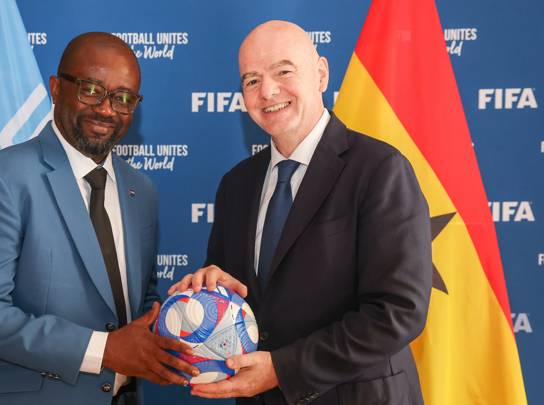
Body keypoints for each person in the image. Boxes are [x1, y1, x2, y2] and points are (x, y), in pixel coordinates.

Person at [169, 20, 432, 405]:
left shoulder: (379, 169)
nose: (268, 91)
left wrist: (283, 369)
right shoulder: (236, 185)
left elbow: (397, 311)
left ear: (321, 73)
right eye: (251, 80)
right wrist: (212, 287)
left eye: (283, 71)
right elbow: (237, 295)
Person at [0, 32, 198, 405]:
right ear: (55, 88)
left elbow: (138, 303)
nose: (107, 109)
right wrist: (106, 349)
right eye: (91, 89)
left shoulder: (140, 190)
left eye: (123, 98)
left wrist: (192, 313)